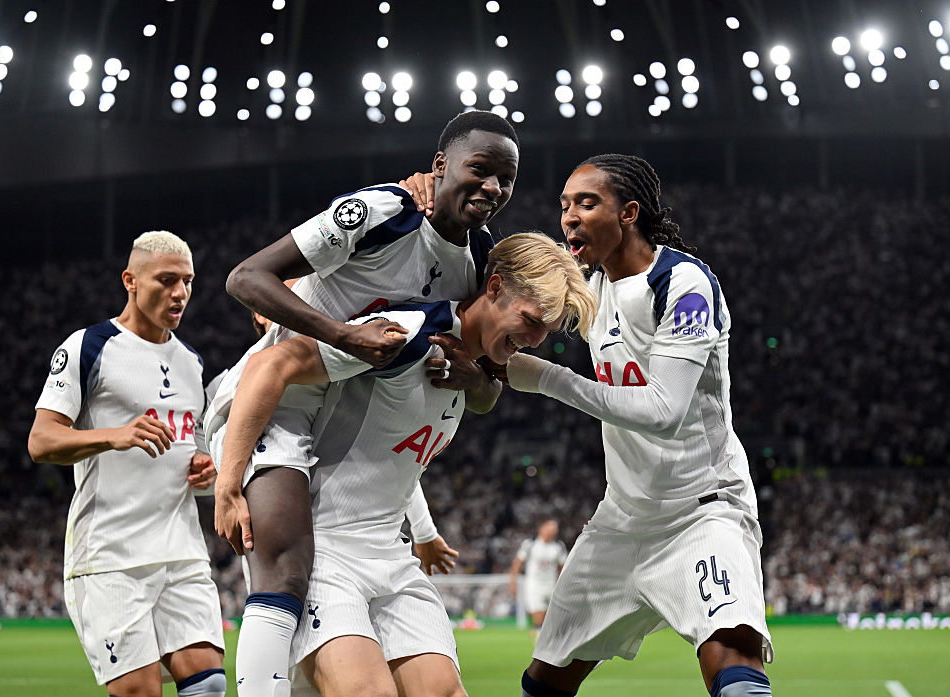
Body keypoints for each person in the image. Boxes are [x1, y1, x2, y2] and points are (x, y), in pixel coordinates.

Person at [214, 110, 520, 696]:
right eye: (479, 170)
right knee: (287, 563)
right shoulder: (382, 212)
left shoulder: (478, 263)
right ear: (440, 166)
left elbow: (477, 387)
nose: (493, 188)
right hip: (273, 394)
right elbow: (247, 279)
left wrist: (475, 381)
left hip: (342, 407)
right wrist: (340, 333)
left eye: (505, 180)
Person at [210, 232, 596, 697]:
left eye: (546, 332)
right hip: (326, 553)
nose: (534, 340)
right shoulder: (410, 336)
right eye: (531, 320)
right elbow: (270, 366)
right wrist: (228, 483)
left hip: (392, 557)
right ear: (493, 288)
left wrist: (426, 533)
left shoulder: (472, 370)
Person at [497, 154, 774, 697]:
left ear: (628, 212)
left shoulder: (683, 281)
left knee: (733, 660)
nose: (569, 217)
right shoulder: (592, 290)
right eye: (564, 206)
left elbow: (663, 412)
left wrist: (547, 378)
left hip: (701, 511)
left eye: (586, 202)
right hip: (621, 521)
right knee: (543, 683)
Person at [27, 231, 226, 697]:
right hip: (111, 555)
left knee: (210, 683)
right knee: (140, 691)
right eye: (166, 280)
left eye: (188, 281)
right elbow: (41, 440)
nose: (180, 293)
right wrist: (113, 436)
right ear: (130, 281)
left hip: (180, 549)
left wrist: (205, 470)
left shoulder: (191, 362)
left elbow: (192, 451)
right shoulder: (89, 346)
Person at [507, 518, 567, 640]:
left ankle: (543, 642)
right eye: (550, 526)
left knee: (550, 622)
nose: (553, 530)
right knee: (538, 619)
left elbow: (563, 567)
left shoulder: (558, 547)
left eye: (555, 527)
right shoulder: (530, 545)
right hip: (534, 587)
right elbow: (517, 564)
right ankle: (541, 651)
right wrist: (512, 582)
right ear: (542, 528)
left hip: (552, 587)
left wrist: (563, 585)